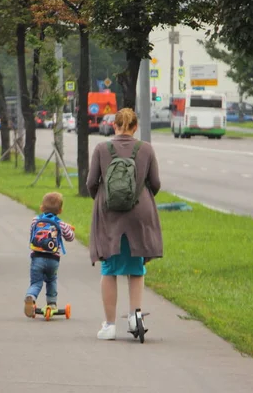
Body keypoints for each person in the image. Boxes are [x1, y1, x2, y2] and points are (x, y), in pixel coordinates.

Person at [86, 108, 163, 340]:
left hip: (110, 215)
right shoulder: (146, 149)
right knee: (136, 267)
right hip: (139, 214)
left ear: (114, 125)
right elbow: (156, 183)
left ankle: (109, 326)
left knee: (109, 268)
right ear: (135, 127)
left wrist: (103, 198)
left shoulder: (101, 149)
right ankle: (135, 316)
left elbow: (91, 182)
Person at [24, 192, 75, 317]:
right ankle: (52, 304)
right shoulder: (61, 224)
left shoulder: (35, 220)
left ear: (41, 208)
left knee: (36, 283)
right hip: (53, 260)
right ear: (60, 210)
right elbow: (70, 237)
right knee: (51, 280)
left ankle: (30, 296)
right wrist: (69, 229)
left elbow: (32, 232)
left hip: (37, 258)